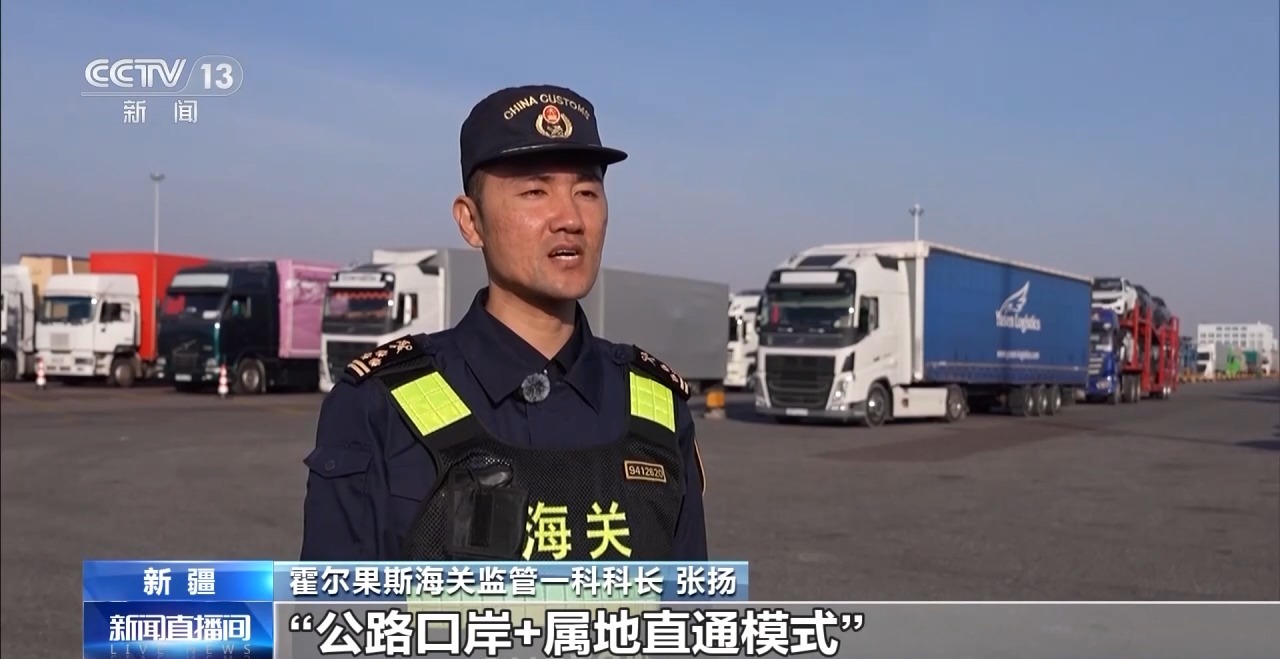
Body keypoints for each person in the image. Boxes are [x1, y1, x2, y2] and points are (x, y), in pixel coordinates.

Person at [300, 84, 708, 562]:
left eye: (586, 191)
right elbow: (335, 606)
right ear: (471, 222)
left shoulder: (658, 409)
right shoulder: (379, 407)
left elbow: (690, 601)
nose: (570, 219)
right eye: (535, 191)